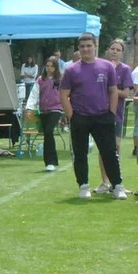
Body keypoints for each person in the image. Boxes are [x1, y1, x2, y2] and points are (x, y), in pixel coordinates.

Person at [61, 33, 125, 200]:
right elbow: (63, 95)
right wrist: (72, 116)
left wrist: (111, 112)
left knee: (109, 152)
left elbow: (113, 91)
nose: (86, 49)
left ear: (95, 46)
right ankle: (83, 185)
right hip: (80, 117)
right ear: (79, 49)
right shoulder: (71, 70)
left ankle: (117, 185)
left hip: (103, 116)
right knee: (80, 153)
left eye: (89, 46)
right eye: (82, 46)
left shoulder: (107, 66)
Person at [92, 39, 132, 194]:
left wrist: (112, 89)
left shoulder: (125, 69)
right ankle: (105, 182)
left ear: (122, 53)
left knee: (115, 147)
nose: (115, 51)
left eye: (118, 49)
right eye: (112, 48)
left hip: (116, 114)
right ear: (107, 50)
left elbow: (126, 93)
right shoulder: (98, 67)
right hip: (99, 113)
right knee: (103, 148)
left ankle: (117, 182)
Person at [26, 56, 63, 172]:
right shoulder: (41, 79)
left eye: (52, 66)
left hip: (56, 109)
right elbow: (34, 94)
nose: (49, 68)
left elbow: (65, 94)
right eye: (47, 66)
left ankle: (51, 161)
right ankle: (50, 161)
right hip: (43, 110)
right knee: (47, 135)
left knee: (49, 131)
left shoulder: (60, 80)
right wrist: (29, 108)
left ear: (56, 67)